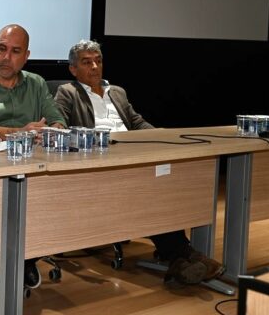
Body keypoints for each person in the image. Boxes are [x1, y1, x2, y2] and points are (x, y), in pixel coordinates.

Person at [54, 39, 224, 286]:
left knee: (164, 184)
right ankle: (183, 255)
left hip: (133, 155)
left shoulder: (117, 91)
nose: (94, 67)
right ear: (73, 69)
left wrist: (163, 136)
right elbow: (60, 124)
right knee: (151, 191)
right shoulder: (68, 92)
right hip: (100, 162)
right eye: (87, 62)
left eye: (98, 61)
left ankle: (180, 258)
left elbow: (136, 122)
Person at [0, 23, 66, 290]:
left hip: (31, 166)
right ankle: (15, 261)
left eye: (15, 51)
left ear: (26, 56)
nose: (6, 57)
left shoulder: (36, 83)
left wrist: (50, 131)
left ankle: (25, 257)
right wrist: (20, 133)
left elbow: (58, 120)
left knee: (59, 199)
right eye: (2, 49)